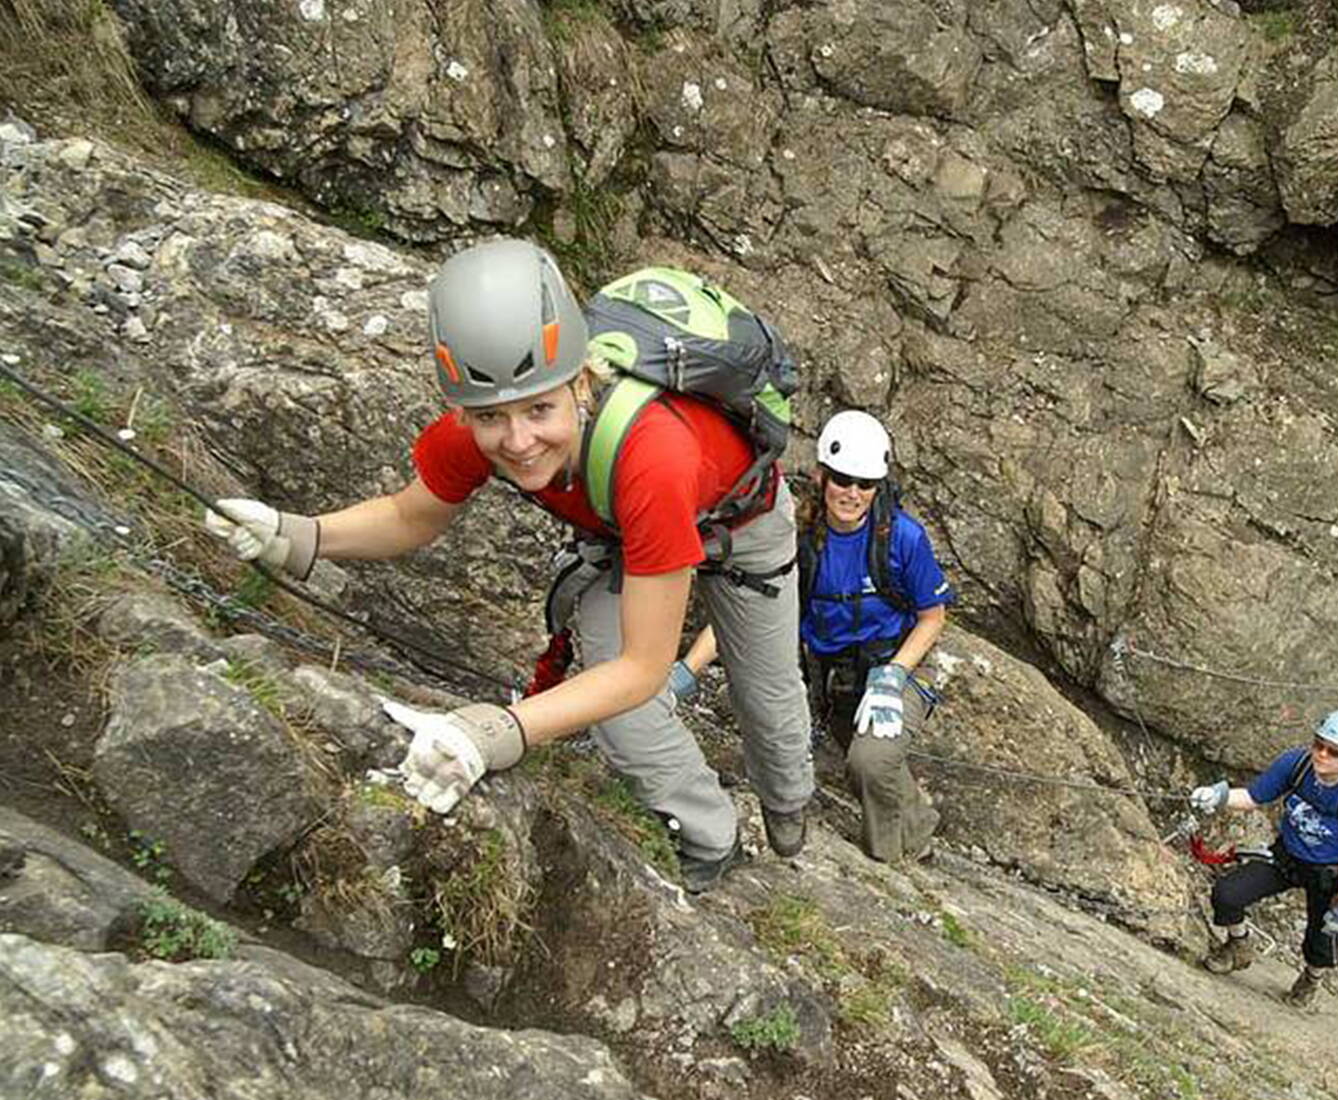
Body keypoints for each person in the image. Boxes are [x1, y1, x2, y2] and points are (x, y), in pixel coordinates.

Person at [201, 239, 814, 893]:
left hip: (743, 527)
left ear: (581, 382)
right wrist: (299, 536)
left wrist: (502, 731)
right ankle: (712, 838)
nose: (518, 442)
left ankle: (787, 812)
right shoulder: (479, 431)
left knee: (765, 689)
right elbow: (413, 516)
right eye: (491, 418)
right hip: (626, 535)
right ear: (465, 412)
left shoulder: (652, 453)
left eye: (540, 410)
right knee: (618, 715)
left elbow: (644, 666)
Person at [674, 410, 951, 863]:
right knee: (864, 757)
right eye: (842, 479)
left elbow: (932, 617)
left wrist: (894, 676)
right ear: (822, 477)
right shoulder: (796, 537)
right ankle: (919, 829)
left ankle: (893, 859)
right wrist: (686, 670)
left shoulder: (902, 538)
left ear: (877, 487)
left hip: (899, 660)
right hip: (838, 676)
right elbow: (745, 612)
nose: (852, 493)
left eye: (864, 484)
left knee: (871, 761)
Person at [1188, 709, 1338, 1007]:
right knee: (1227, 895)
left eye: (1333, 752)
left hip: (1329, 874)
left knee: (1322, 938)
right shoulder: (1296, 765)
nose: (1321, 754)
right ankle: (1238, 945)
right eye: (1318, 744)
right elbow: (1255, 797)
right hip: (1288, 856)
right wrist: (1219, 797)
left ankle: (1311, 979)